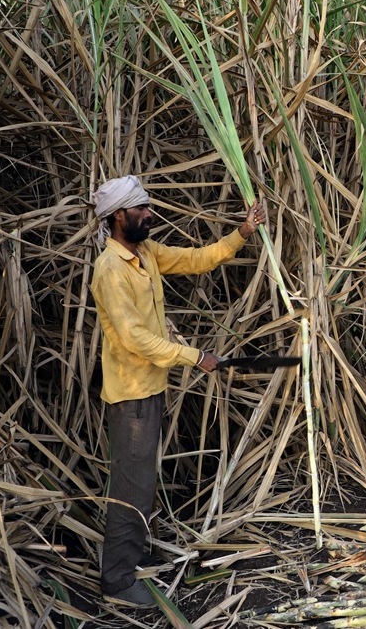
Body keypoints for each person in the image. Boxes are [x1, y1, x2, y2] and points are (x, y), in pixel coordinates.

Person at [89, 175, 267, 606]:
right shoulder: (110, 270)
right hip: (130, 396)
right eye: (141, 210)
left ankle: (132, 558)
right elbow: (134, 339)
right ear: (118, 217)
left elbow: (195, 259)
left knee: (142, 482)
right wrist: (194, 356)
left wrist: (241, 234)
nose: (149, 215)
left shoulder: (144, 254)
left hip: (150, 389)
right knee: (131, 489)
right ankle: (116, 580)